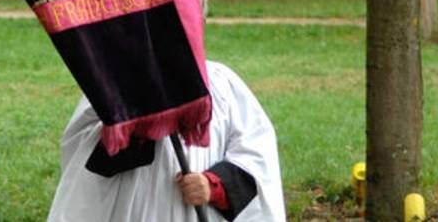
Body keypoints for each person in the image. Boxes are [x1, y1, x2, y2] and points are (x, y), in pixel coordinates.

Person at [46, 60, 286, 221]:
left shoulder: (222, 82)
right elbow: (81, 153)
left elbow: (256, 151)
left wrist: (213, 186)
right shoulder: (116, 82)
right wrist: (133, 120)